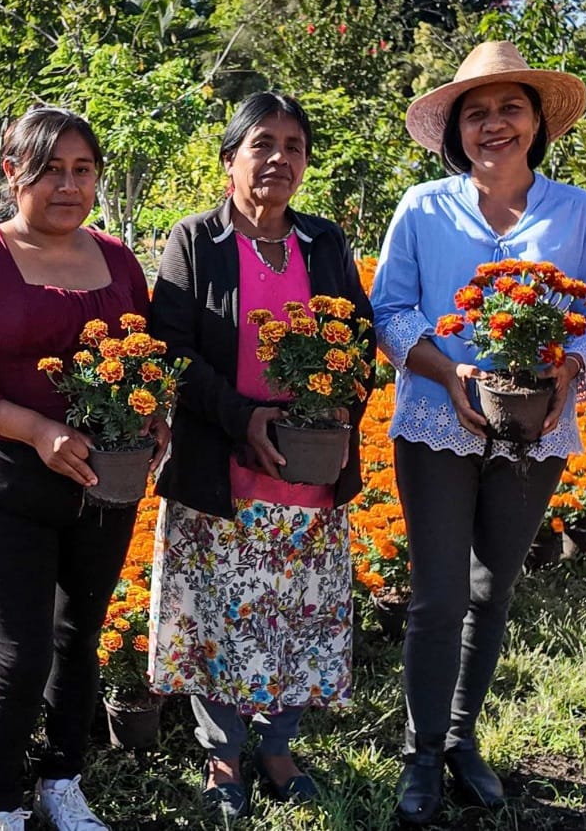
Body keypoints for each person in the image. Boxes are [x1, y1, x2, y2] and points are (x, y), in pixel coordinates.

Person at [371, 41, 586, 826]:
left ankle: (461, 740)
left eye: (510, 108)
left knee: (492, 590)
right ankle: (420, 752)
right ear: (455, 133)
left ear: (537, 122)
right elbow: (390, 309)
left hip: (535, 427)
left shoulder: (577, 210)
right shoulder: (421, 207)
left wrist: (570, 375)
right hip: (434, 422)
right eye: (476, 114)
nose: (494, 125)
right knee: (440, 597)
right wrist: (450, 377)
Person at [0, 106, 167, 831]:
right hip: (7, 485)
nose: (68, 185)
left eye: (82, 169)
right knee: (22, 656)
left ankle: (62, 782)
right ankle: (1, 804)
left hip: (103, 484)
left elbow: (143, 354)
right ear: (12, 172)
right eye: (51, 169)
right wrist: (35, 430)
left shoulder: (117, 259)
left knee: (78, 643)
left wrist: (154, 415)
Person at [146, 91, 374, 821]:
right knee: (218, 616)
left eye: (294, 146)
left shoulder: (324, 244)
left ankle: (278, 746)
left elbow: (360, 337)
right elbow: (171, 351)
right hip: (224, 470)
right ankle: (222, 754)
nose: (280, 157)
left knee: (298, 613)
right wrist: (244, 419)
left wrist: (340, 405)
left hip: (308, 468)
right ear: (229, 163)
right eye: (263, 144)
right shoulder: (195, 242)